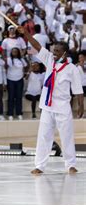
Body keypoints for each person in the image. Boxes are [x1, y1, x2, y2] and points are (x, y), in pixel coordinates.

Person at [18, 26, 83, 175]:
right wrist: (26, 33)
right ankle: (40, 165)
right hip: (47, 106)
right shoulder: (49, 61)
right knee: (44, 136)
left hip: (63, 107)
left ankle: (70, 164)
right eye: (53, 51)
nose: (54, 53)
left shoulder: (72, 68)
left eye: (57, 51)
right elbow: (36, 45)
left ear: (65, 53)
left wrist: (80, 106)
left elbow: (78, 90)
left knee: (66, 136)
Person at [6, 47, 27, 120]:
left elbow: (26, 66)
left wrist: (25, 74)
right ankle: (10, 113)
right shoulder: (8, 59)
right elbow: (5, 67)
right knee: (11, 97)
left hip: (19, 80)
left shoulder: (21, 60)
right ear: (11, 52)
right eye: (13, 51)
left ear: (18, 52)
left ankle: (19, 113)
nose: (14, 52)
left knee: (19, 97)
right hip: (10, 80)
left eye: (16, 51)